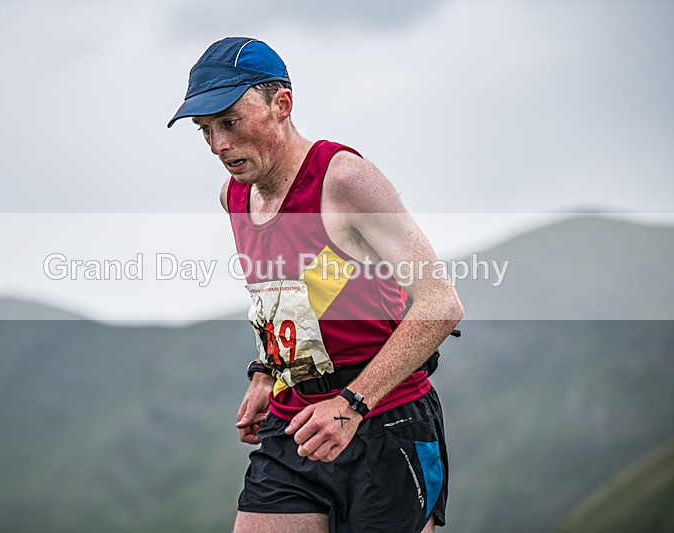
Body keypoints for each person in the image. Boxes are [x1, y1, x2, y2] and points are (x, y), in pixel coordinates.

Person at [168, 37, 464, 533]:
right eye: (206, 130)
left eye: (230, 122)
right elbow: (292, 294)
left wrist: (351, 405)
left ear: (281, 104)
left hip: (387, 422)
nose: (218, 145)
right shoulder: (234, 197)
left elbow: (441, 303)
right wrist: (266, 371)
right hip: (296, 422)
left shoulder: (344, 180)